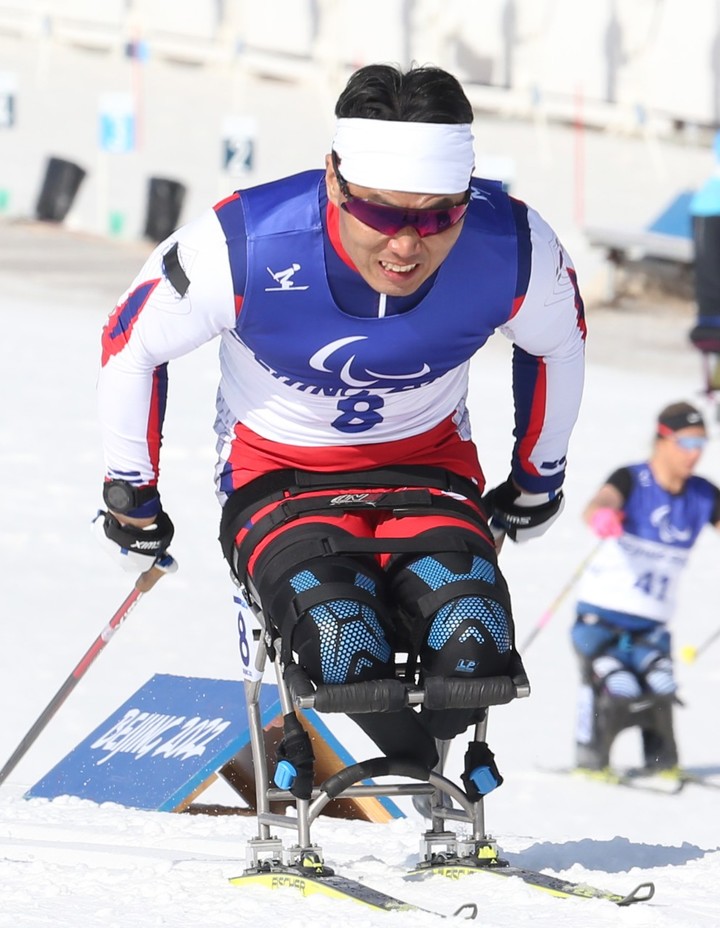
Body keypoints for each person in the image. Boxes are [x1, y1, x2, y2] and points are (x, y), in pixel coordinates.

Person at [94, 63, 586, 801]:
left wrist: (538, 478)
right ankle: (334, 773)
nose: (405, 247)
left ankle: (427, 790)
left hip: (430, 475)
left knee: (475, 650)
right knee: (339, 641)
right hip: (281, 481)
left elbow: (561, 341)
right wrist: (130, 490)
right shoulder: (246, 241)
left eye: (437, 216)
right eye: (383, 214)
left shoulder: (512, 243)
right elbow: (130, 344)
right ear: (334, 177)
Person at [571, 401, 720, 775]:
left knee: (662, 687)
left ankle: (660, 762)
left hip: (652, 627)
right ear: (662, 441)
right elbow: (600, 502)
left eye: (701, 443)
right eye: (686, 443)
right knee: (620, 688)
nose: (695, 453)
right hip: (601, 620)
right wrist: (602, 515)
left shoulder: (703, 494)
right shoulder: (632, 479)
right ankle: (592, 758)